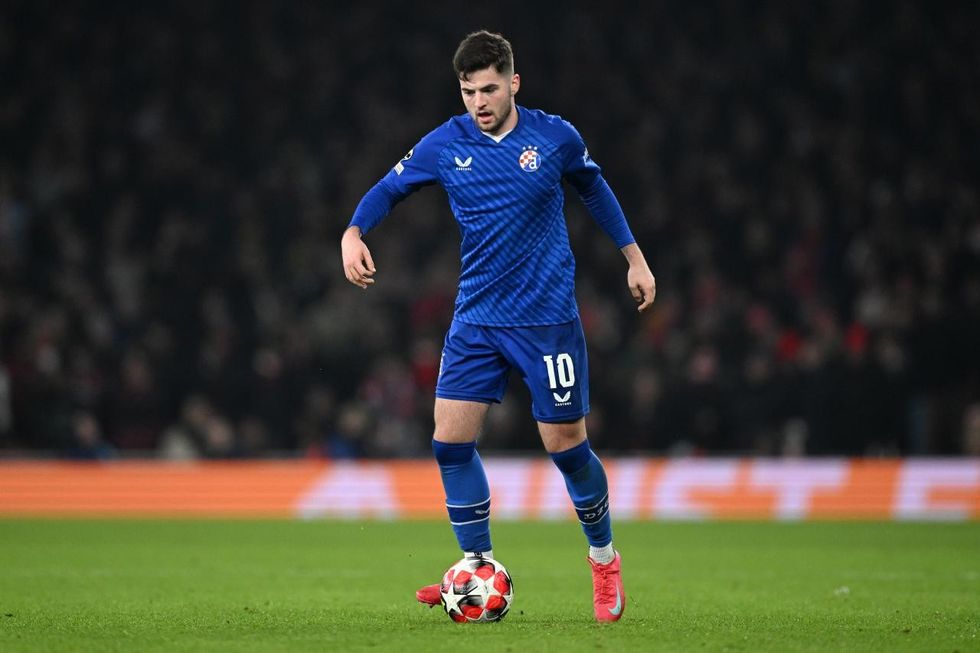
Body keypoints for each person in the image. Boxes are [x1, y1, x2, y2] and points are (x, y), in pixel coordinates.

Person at [341, 30, 655, 622]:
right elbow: (388, 188)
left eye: (488, 89)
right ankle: (477, 567)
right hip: (477, 319)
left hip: (546, 320)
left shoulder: (554, 137)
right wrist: (353, 232)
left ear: (514, 83)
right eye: (468, 92)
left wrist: (634, 258)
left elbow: (593, 186)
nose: (478, 103)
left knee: (567, 448)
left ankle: (603, 558)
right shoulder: (446, 143)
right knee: (449, 444)